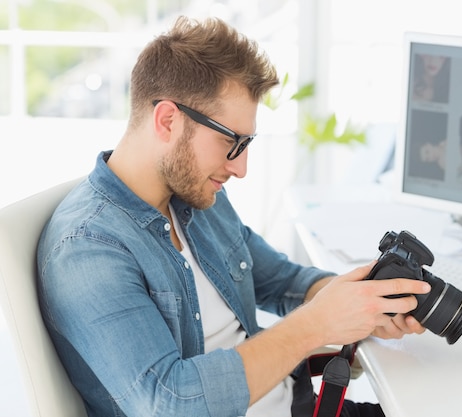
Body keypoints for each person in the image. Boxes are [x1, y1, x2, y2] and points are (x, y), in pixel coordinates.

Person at [36, 16, 430, 417]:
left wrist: (365, 302)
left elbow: (282, 281)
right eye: (231, 141)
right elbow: (169, 403)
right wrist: (317, 325)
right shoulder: (87, 247)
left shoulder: (194, 195)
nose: (240, 168)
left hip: (298, 405)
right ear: (168, 120)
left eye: (247, 143)